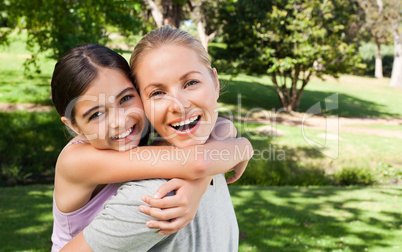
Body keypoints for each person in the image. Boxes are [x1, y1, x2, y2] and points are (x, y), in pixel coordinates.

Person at [61, 26, 253, 251]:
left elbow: (221, 130)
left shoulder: (206, 139)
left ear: (215, 82)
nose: (179, 106)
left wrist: (202, 178)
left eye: (191, 82)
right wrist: (243, 147)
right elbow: (199, 163)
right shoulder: (155, 199)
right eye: (158, 93)